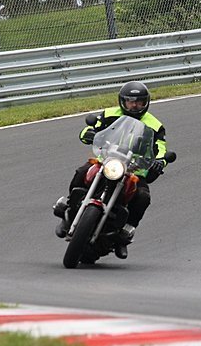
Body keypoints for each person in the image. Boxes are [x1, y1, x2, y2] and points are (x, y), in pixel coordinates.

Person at [55, 81, 169, 259]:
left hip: (134, 170)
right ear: (122, 101)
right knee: (82, 171)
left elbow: (160, 148)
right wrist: (89, 134)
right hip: (106, 162)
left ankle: (125, 234)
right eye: (130, 101)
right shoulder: (109, 114)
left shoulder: (155, 125)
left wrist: (160, 162)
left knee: (143, 196)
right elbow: (91, 129)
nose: (134, 105)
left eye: (139, 102)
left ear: (146, 103)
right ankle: (67, 208)